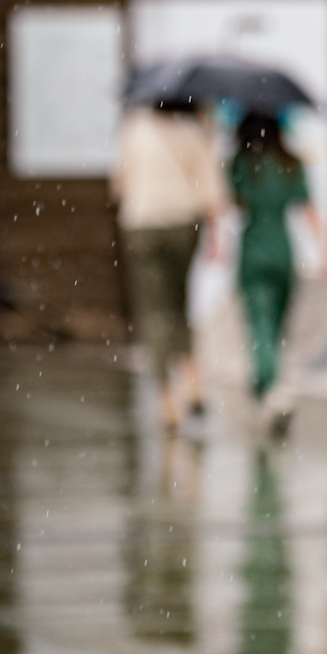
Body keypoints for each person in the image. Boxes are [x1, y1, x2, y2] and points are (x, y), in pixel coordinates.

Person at [110, 98, 226, 432]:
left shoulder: (135, 128)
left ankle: (167, 399)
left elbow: (119, 183)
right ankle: (194, 383)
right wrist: (216, 237)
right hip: (183, 225)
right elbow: (210, 191)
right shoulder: (195, 131)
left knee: (152, 309)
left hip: (143, 224)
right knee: (178, 303)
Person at [229, 110, 327, 418]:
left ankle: (268, 385)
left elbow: (234, 206)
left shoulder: (241, 164)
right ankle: (268, 385)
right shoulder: (291, 163)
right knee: (276, 323)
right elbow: (308, 211)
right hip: (282, 252)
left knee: (259, 323)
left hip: (253, 250)